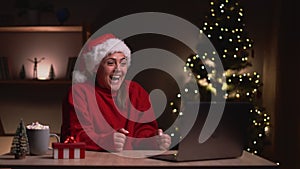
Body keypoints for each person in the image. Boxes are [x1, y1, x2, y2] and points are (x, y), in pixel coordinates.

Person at [61, 33, 171, 152]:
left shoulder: (136, 91)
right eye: (110, 63)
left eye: (123, 63)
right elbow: (76, 136)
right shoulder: (80, 92)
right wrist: (106, 142)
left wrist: (155, 140)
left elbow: (144, 129)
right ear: (95, 67)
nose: (118, 69)